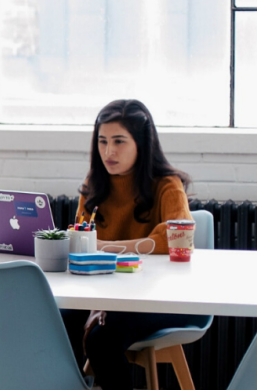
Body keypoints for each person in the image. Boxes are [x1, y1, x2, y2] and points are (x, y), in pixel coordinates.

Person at [62, 99, 198, 390]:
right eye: (102, 141)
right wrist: (100, 299)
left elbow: (174, 239)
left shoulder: (166, 184)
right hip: (103, 293)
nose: (108, 152)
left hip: (163, 297)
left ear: (142, 143)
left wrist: (106, 246)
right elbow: (80, 242)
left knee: (101, 339)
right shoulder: (94, 185)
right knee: (55, 323)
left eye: (119, 141)